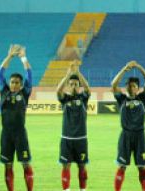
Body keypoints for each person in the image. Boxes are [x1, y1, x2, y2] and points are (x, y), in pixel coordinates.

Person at [112, 60, 145, 191]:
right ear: (126, 87)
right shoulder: (122, 99)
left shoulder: (142, 98)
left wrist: (139, 67)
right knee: (122, 166)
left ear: (138, 88)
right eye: (129, 85)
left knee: (142, 166)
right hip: (125, 136)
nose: (132, 87)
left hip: (140, 136)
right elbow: (113, 84)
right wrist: (125, 69)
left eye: (134, 85)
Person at [0, 44, 34, 191]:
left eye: (16, 82)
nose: (13, 84)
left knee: (25, 163)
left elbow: (29, 74)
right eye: (12, 82)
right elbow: (0, 73)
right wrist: (10, 56)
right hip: (6, 134)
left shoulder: (24, 93)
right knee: (8, 165)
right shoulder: (4, 92)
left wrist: (23, 57)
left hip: (20, 134)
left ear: (20, 85)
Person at [57, 60, 91, 191]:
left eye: (76, 84)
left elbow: (87, 88)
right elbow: (58, 90)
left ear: (79, 86)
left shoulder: (83, 98)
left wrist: (77, 72)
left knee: (82, 166)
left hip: (81, 139)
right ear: (68, 86)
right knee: (66, 166)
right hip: (66, 139)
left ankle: (83, 189)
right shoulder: (64, 99)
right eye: (71, 84)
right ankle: (66, 190)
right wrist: (68, 75)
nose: (73, 86)